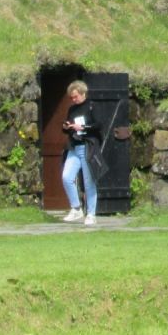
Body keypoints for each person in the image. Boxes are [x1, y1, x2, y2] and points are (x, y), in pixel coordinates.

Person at [60, 80, 101, 226]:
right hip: (74, 147)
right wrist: (67, 126)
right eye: (71, 97)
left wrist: (82, 126)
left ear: (83, 93)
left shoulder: (92, 106)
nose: (73, 99)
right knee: (66, 177)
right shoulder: (72, 109)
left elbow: (99, 125)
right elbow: (68, 125)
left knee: (89, 182)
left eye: (75, 96)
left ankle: (91, 214)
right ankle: (76, 208)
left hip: (87, 147)